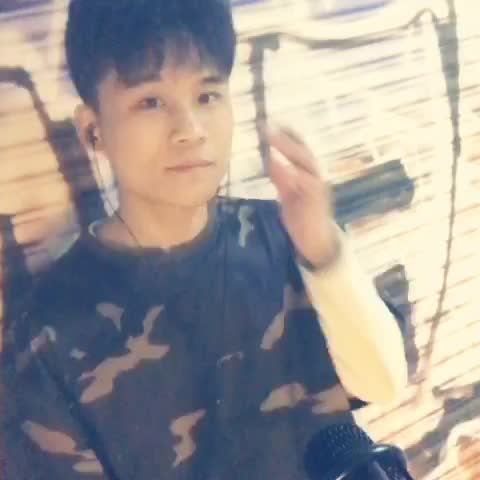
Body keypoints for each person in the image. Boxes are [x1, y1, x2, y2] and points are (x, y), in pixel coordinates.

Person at [2, 1, 408, 479]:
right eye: (150, 102)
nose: (191, 131)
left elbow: (382, 384)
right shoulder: (50, 332)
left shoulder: (285, 235)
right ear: (93, 130)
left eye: (208, 95)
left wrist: (324, 255)